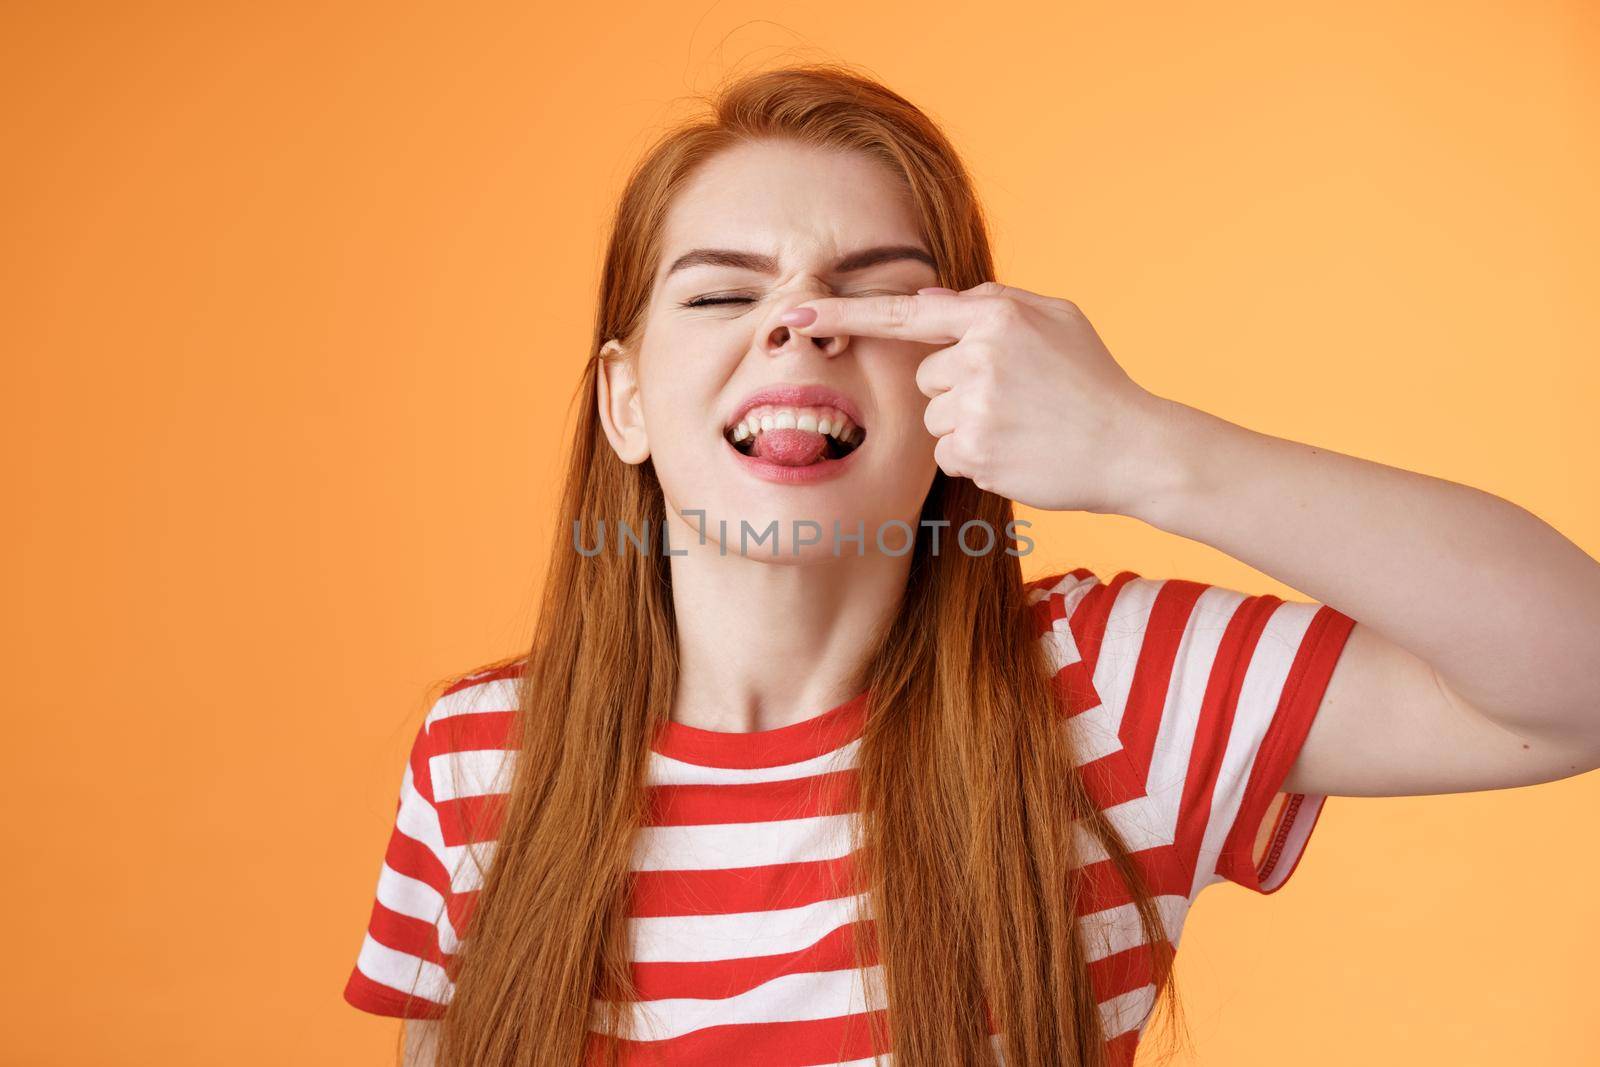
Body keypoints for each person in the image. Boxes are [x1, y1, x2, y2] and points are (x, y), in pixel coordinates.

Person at [340, 63, 1600, 1067]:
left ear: (965, 386)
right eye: (723, 296)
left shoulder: (1107, 690)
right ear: (623, 402)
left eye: (873, 296)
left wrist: (1146, 448)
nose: (799, 322)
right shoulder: (475, 756)